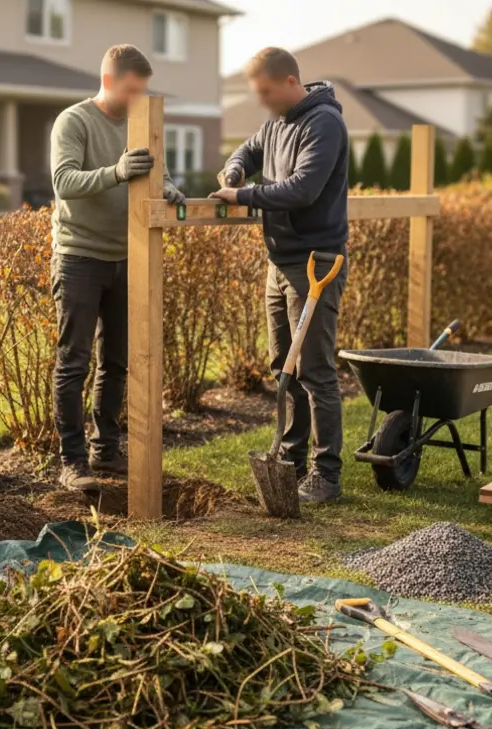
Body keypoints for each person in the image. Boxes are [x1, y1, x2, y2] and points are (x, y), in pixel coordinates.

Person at [210, 47, 350, 504]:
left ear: (290, 81)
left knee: (315, 371)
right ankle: (289, 460)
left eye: (266, 92)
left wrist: (242, 196)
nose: (262, 102)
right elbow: (248, 150)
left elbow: (304, 189)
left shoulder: (323, 122)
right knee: (282, 368)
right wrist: (234, 170)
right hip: (280, 262)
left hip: (315, 264)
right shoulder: (277, 121)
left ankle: (326, 475)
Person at [50, 44, 186, 492]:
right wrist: (116, 171)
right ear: (109, 81)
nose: (137, 99)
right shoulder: (74, 121)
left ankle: (105, 451)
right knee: (75, 362)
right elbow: (64, 183)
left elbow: (153, 173)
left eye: (142, 90)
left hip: (127, 255)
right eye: (131, 90)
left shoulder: (139, 123)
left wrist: (168, 189)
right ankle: (72, 463)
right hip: (80, 257)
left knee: (117, 362)